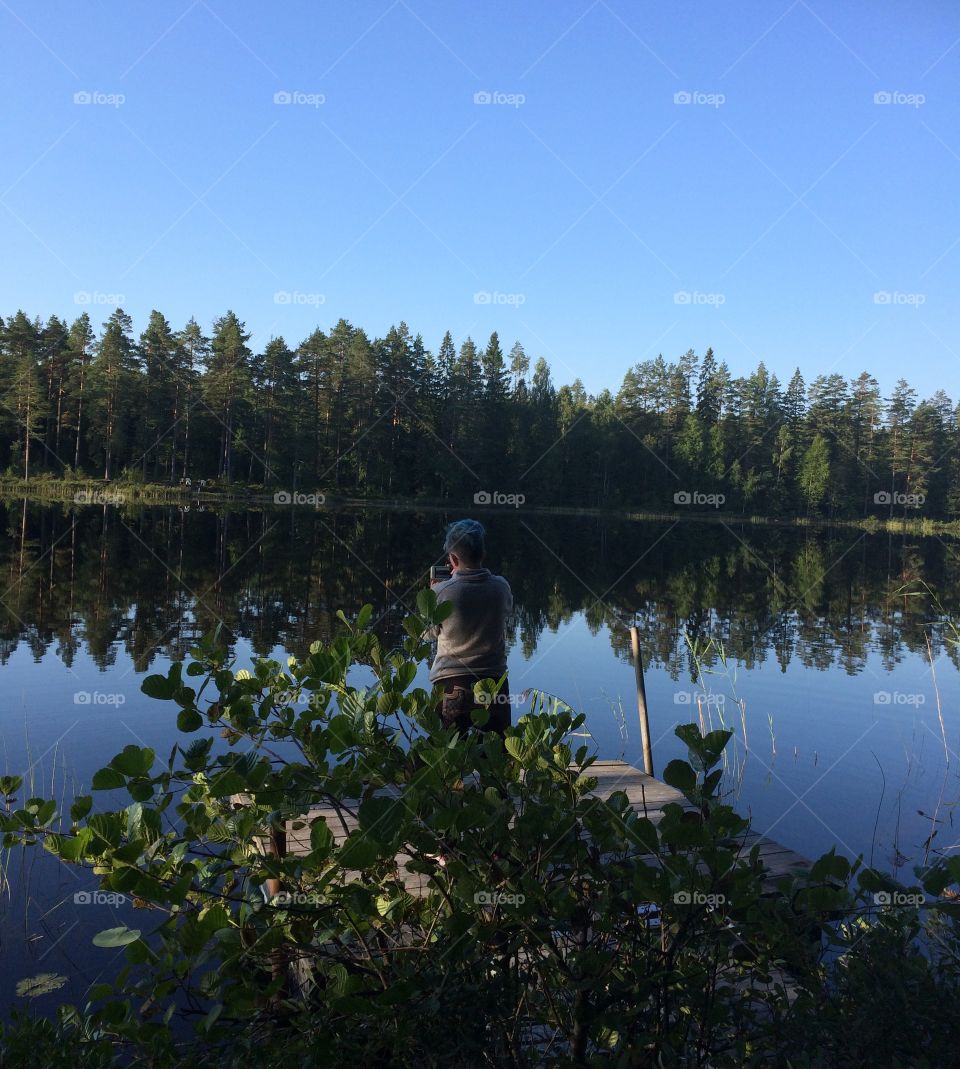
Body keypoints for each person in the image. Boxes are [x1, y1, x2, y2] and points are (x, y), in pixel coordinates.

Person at [429, 519, 513, 737]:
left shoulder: (443, 592)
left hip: (451, 685)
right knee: (495, 758)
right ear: (482, 553)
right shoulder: (501, 588)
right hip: (493, 686)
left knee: (446, 757)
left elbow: (428, 633)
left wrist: (433, 596)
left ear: (453, 558)